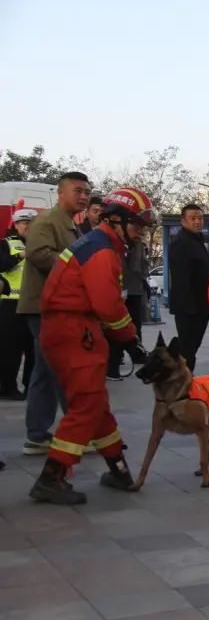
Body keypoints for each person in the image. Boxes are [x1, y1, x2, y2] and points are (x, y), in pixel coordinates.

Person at [28, 186, 153, 504]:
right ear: (116, 219)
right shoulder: (101, 251)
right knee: (86, 406)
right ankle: (51, 477)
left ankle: (117, 469)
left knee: (96, 404)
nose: (140, 231)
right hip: (74, 331)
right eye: (137, 224)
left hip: (72, 329)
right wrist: (132, 342)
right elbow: (108, 306)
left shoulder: (98, 244)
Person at [18, 171, 91, 456]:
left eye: (86, 192)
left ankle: (41, 434)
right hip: (43, 307)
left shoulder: (70, 224)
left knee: (48, 370)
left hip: (57, 307)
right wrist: (76, 266)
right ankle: (67, 430)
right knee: (57, 368)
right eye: (78, 191)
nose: (83, 196)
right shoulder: (47, 221)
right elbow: (39, 254)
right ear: (61, 192)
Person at [169, 203, 209, 372]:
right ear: (183, 221)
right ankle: (182, 381)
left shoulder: (196, 240)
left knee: (191, 350)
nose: (197, 222)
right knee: (187, 350)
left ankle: (187, 380)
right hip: (189, 308)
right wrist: (189, 307)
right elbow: (180, 279)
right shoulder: (181, 242)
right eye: (193, 218)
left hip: (201, 305)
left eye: (200, 218)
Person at [107, 221, 149, 380]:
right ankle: (115, 361)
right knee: (117, 325)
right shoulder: (112, 244)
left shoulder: (137, 244)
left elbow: (140, 266)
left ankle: (136, 352)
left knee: (135, 323)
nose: (139, 232)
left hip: (135, 288)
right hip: (120, 289)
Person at [0, 209, 36, 401]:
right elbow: (2, 264)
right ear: (16, 225)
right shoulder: (6, 243)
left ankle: (32, 387)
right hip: (10, 304)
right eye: (24, 223)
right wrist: (21, 255)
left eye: (31, 223)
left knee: (34, 350)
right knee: (10, 350)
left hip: (33, 304)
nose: (28, 226)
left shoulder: (39, 244)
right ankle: (7, 388)